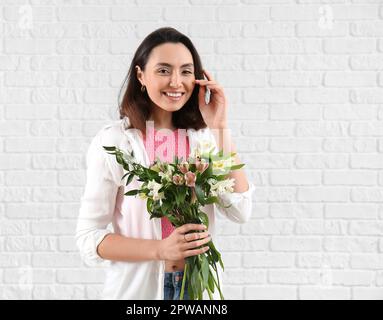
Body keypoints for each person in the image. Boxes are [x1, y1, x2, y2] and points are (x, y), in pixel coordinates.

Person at [75, 27, 255, 300]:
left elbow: (241, 210)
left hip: (199, 293)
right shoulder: (115, 142)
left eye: (185, 71)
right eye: (163, 70)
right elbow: (89, 237)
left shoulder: (203, 138)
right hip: (139, 292)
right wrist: (160, 249)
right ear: (141, 76)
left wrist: (219, 126)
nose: (176, 82)